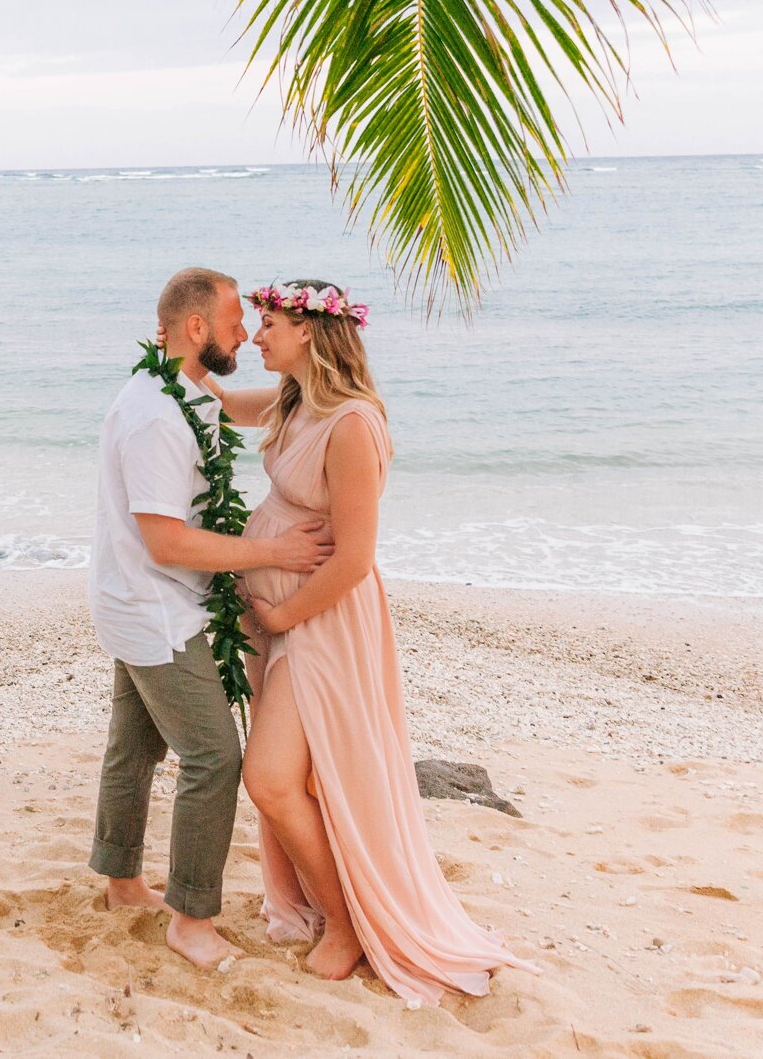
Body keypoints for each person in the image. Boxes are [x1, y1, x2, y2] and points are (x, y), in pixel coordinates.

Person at [204, 279, 532, 1005]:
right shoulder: (292, 403)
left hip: (319, 623)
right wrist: (182, 351)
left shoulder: (352, 424)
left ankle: (350, 925)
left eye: (269, 324)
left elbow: (353, 559)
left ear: (313, 334)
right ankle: (329, 908)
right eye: (254, 324)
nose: (257, 337)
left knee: (270, 777)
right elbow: (218, 404)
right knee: (292, 777)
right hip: (277, 614)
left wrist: (284, 617)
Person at [87, 266, 334, 970]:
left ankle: (122, 882)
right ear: (195, 328)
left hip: (142, 598)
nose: (243, 333)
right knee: (215, 757)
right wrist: (274, 547)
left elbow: (251, 406)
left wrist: (322, 386)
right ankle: (191, 922)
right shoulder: (154, 418)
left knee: (134, 747)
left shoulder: (186, 390)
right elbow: (167, 540)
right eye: (233, 321)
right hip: (154, 608)